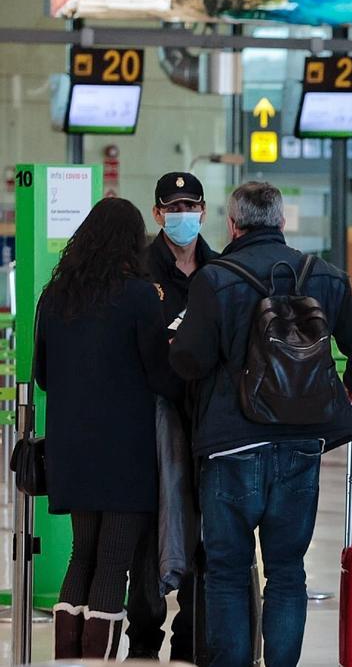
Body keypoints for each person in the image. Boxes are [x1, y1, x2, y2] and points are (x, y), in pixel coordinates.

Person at [170, 182, 352, 667]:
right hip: (302, 441)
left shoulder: (214, 279)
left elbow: (190, 359)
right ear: (282, 222)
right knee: (288, 571)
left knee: (226, 570)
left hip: (231, 443)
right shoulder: (324, 277)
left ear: (233, 224)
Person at [36, 197, 181, 660]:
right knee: (114, 562)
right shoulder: (138, 295)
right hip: (124, 449)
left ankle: (69, 658)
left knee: (83, 553)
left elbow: (42, 374)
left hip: (71, 446)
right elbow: (159, 373)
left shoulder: (54, 295)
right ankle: (95, 659)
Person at [126, 171, 217, 661]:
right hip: (152, 418)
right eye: (173, 208)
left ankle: (191, 637)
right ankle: (143, 640)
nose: (183, 216)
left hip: (205, 414)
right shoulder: (138, 270)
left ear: (204, 211)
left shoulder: (220, 270)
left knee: (203, 525)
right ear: (158, 213)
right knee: (152, 531)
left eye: (191, 206)